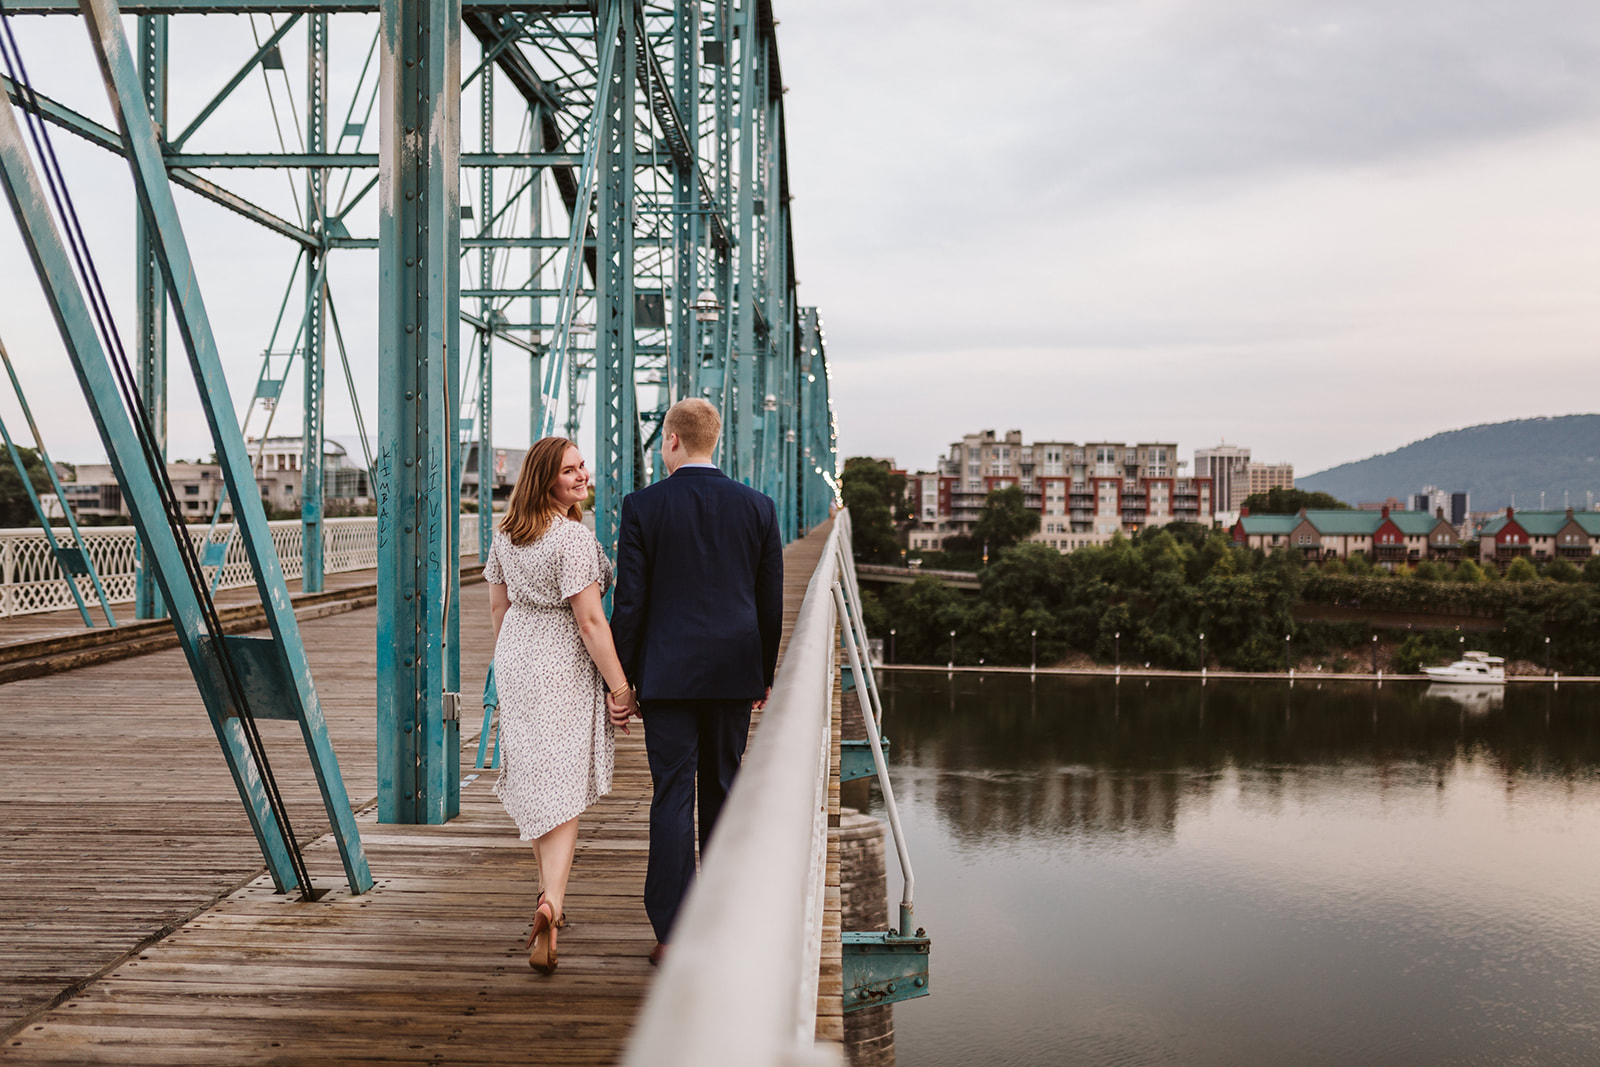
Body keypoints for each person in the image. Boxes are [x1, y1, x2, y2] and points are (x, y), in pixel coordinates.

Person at [607, 398, 783, 966]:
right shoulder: (758, 507)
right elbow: (770, 602)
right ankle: (727, 923)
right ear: (716, 442)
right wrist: (763, 675)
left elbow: (630, 602)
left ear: (674, 441)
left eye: (662, 440)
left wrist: (622, 680)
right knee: (725, 792)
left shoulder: (643, 506)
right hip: (735, 674)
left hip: (667, 677)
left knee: (673, 796)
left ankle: (673, 934)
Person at [485, 436, 638, 974]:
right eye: (569, 471)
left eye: (582, 467)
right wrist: (619, 687)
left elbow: (499, 610)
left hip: (517, 658)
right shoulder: (571, 538)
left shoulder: (506, 535)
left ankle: (547, 895)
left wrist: (510, 665)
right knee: (564, 786)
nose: (582, 476)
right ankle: (552, 901)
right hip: (561, 662)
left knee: (535, 778)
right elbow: (591, 622)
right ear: (546, 479)